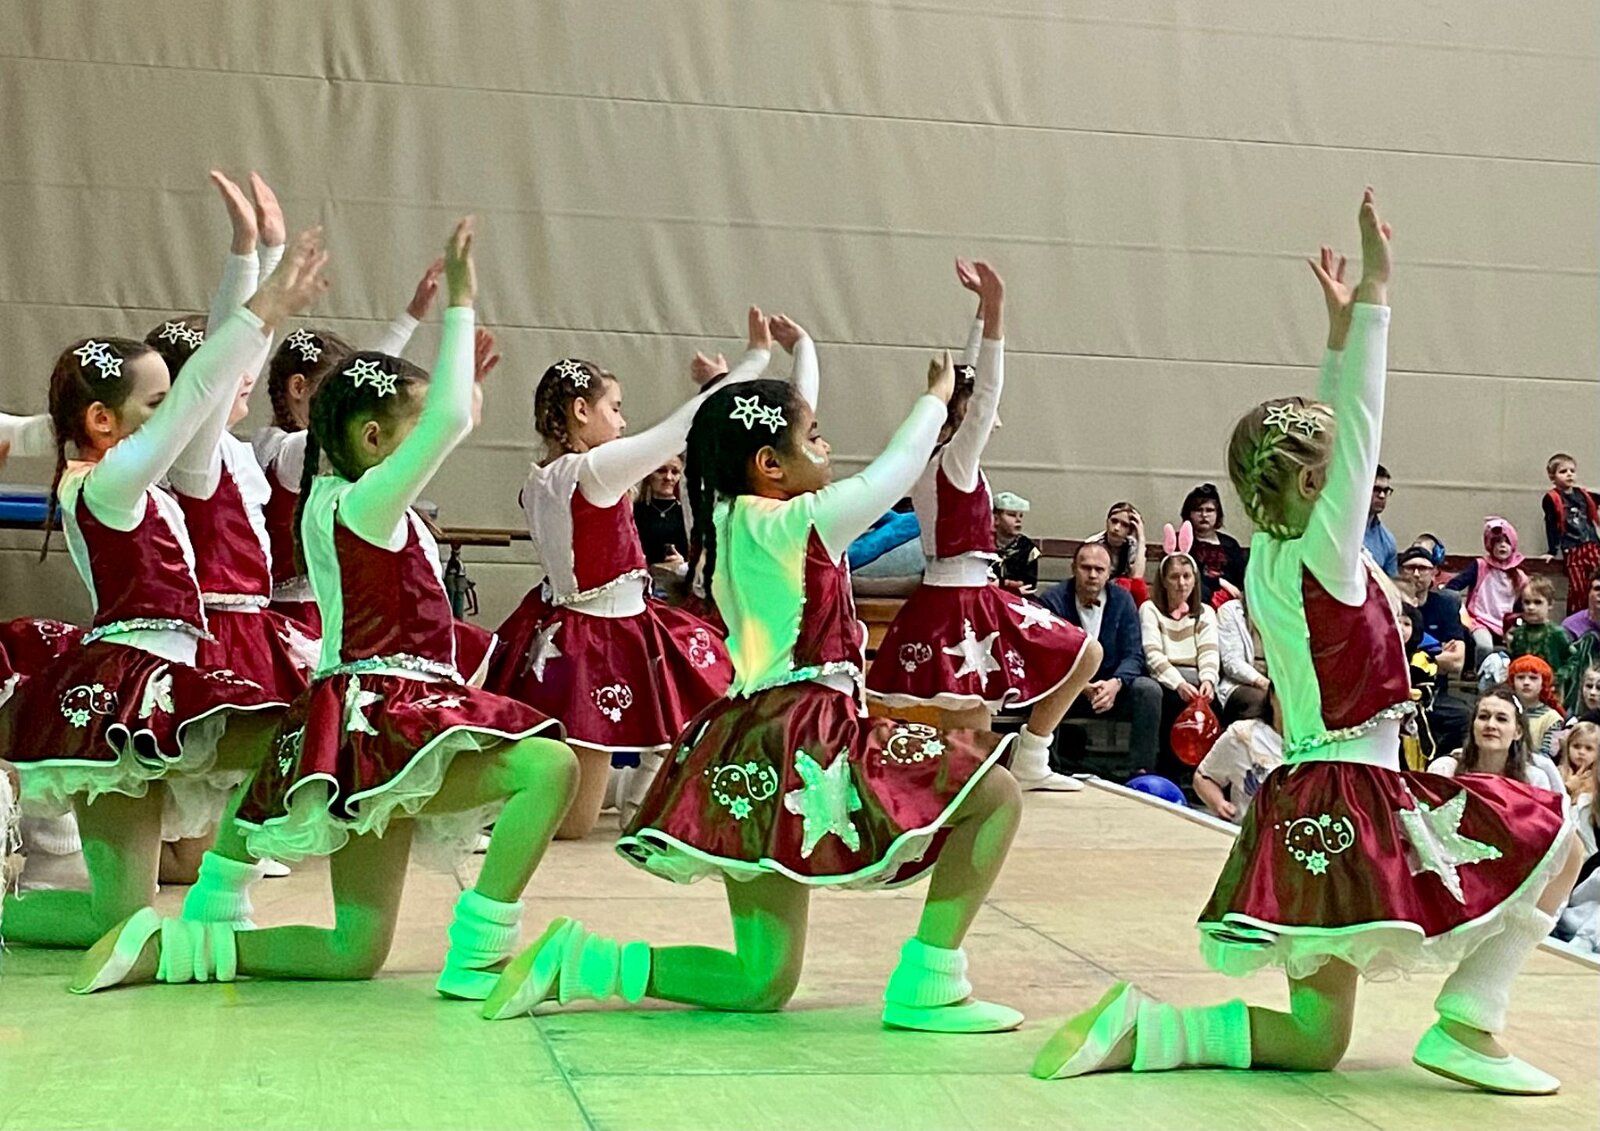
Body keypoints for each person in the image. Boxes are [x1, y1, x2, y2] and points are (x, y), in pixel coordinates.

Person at [1034, 190, 1578, 1095]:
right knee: (1558, 836)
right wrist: (1377, 300)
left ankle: (1148, 1027)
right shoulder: (1328, 555)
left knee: (1317, 1038)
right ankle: (1470, 1019)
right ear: (1321, 487)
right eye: (1339, 474)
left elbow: (1329, 437)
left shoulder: (1267, 563)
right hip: (1361, 795)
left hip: (1304, 796)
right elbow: (1359, 420)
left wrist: (1334, 334)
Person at [73, 218, 581, 1000]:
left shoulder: (350, 498)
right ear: (373, 439)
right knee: (549, 766)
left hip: (372, 723)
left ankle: (177, 947)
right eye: (415, 433)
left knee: (353, 950)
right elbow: (447, 420)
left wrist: (460, 388)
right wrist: (461, 301)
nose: (433, 443)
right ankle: (480, 951)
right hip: (390, 720)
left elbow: (447, 416)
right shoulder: (361, 505)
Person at [485, 355, 1032, 1035]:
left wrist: (777, 372)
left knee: (760, 979)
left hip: (748, 741)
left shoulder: (728, 515)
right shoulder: (801, 523)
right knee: (995, 794)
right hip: (810, 731)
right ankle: (932, 981)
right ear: (770, 464)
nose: (827, 447)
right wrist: (935, 400)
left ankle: (585, 963)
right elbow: (894, 469)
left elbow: (770, 433)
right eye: (815, 437)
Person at [0, 209, 331, 947]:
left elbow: (201, 393)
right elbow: (199, 391)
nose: (175, 411)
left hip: (172, 674)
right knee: (119, 918)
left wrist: (250, 257)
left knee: (292, 729)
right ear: (104, 421)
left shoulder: (123, 472)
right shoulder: (108, 484)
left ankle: (222, 884)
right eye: (155, 402)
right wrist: (265, 304)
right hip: (129, 683)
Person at [486, 309, 792, 837]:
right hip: (598, 636)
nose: (623, 421)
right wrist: (754, 360)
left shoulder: (542, 476)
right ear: (581, 410)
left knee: (692, 695)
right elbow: (685, 426)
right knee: (575, 822)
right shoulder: (594, 471)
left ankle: (640, 800)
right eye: (615, 407)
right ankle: (556, 804)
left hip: (583, 626)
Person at [866, 261, 1095, 791]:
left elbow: (967, 382)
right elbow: (985, 390)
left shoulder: (936, 458)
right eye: (979, 413)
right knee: (972, 741)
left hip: (970, 597)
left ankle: (1031, 759)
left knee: (1085, 653)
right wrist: (995, 313)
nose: (994, 417)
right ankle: (976, 792)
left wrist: (977, 315)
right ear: (964, 416)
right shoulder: (954, 461)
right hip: (958, 604)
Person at [251, 263, 441, 631]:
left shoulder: (281, 448)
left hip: (321, 609)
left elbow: (363, 383)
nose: (347, 405)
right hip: (300, 619)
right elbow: (360, 393)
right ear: (298, 388)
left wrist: (410, 318)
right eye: (333, 393)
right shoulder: (288, 452)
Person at [1038, 543, 1163, 781]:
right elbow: (1047, 657)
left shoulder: (1123, 600)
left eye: (1099, 569)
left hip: (1112, 688)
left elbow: (1134, 654)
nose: (1093, 575)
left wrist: (1116, 683)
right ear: (1073, 568)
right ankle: (1048, 768)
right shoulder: (1052, 601)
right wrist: (1080, 685)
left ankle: (1141, 772)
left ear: (1109, 573)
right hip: (1067, 688)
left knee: (1149, 691)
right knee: (1046, 688)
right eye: (1086, 568)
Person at [1138, 523, 1219, 780]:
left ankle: (1205, 775)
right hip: (1167, 678)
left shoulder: (1205, 612)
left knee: (1215, 702)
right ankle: (1165, 772)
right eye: (1174, 577)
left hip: (1196, 676)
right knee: (1169, 699)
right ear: (1164, 581)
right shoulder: (1150, 609)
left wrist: (1209, 680)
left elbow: (1209, 652)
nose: (1181, 583)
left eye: (1187, 576)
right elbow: (1153, 655)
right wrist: (1178, 683)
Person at [1396, 545, 1471, 752]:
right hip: (1393, 692)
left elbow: (1457, 662)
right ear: (1400, 571)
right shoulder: (1389, 606)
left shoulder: (1445, 606)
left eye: (1422, 568)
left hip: (1434, 692)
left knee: (1464, 716)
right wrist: (1437, 654)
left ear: (1434, 573)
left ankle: (1441, 761)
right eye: (1410, 568)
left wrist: (1415, 657)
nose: (1416, 574)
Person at [1430, 686, 1564, 798]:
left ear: (1518, 732)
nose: (1490, 725)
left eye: (1501, 719)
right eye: (1483, 717)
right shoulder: (1446, 770)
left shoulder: (1534, 779)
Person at [1193, 690, 1283, 824]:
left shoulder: (1318, 747)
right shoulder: (1242, 735)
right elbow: (1204, 776)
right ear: (1272, 696)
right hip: (1248, 832)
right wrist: (1219, 803)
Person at [1445, 517, 1529, 658]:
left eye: (1506, 542)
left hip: (1508, 624)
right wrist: (1459, 611)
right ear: (1490, 545)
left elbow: (1522, 606)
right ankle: (1479, 670)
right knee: (1484, 646)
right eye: (1497, 542)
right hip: (1479, 620)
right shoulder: (1480, 566)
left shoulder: (1520, 576)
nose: (1502, 546)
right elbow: (1453, 586)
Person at [1542, 452, 1600, 618]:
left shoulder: (1584, 495)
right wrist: (1552, 550)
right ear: (1552, 477)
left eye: (1572, 471)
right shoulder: (1551, 498)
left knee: (1596, 583)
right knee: (1578, 588)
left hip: (1592, 545)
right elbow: (1551, 525)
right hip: (1573, 549)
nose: (1569, 474)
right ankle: (1577, 620)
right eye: (1563, 471)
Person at [633, 456, 690, 594]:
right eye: (661, 471)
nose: (668, 477)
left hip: (680, 590)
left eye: (675, 472)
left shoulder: (690, 515)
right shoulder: (633, 512)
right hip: (641, 588)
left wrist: (683, 565)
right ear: (649, 475)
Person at [1180, 483, 1245, 602]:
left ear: (1217, 514)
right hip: (1195, 600)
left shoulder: (1230, 544)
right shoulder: (1181, 543)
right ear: (1189, 513)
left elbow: (1242, 578)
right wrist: (1220, 582)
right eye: (1198, 510)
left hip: (1231, 602)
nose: (1204, 515)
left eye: (1209, 510)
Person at [1216, 591, 1270, 721]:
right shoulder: (1230, 610)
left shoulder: (1285, 613)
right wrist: (1263, 683)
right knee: (1261, 702)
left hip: (1275, 682)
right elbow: (1232, 662)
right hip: (1240, 684)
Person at [1505, 576, 1573, 675]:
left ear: (1550, 604)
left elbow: (1572, 661)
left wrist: (1560, 676)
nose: (1531, 607)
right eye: (1527, 602)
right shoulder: (1518, 634)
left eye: (1537, 602)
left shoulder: (1557, 633)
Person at [1087, 501, 1149, 606]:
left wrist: (1141, 538)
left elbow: (1137, 578)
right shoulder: (1093, 545)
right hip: (1095, 591)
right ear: (1107, 522)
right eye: (1114, 521)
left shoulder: (1132, 545)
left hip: (1122, 597)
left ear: (1130, 530)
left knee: (1134, 587)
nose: (1116, 528)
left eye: (1124, 525)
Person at [1504, 655, 1566, 758]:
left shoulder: (1552, 718)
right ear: (1512, 682)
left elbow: (1548, 756)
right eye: (1520, 677)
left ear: (1543, 683)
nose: (1526, 682)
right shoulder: (1503, 711)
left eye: (1533, 678)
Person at [990, 490, 1040, 595]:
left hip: (1019, 597)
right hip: (989, 596)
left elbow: (1029, 585)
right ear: (995, 519)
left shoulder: (1027, 548)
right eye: (1012, 515)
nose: (1018, 520)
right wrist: (1008, 585)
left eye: (1021, 516)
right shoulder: (983, 545)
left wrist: (1000, 584)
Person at [1364, 462, 1398, 576]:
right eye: (1376, 489)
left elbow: (1391, 582)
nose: (1382, 496)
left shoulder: (1388, 541)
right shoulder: (1339, 529)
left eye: (1386, 491)